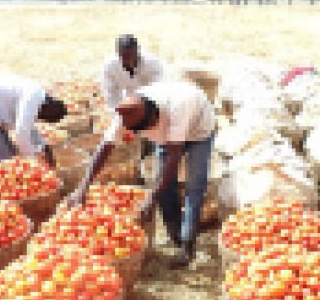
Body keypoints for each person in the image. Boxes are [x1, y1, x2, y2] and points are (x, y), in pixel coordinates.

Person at [68, 81, 215, 268]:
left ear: (155, 114)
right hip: (167, 136)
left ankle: (187, 248)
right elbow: (103, 150)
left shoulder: (179, 107)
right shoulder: (127, 112)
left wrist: (152, 198)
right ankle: (176, 235)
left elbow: (174, 156)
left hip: (198, 130)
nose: (143, 133)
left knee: (194, 187)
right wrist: (83, 187)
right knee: (163, 186)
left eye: (146, 128)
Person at [103, 34, 164, 170]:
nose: (129, 61)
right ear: (118, 54)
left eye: (132, 56)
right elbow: (111, 94)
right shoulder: (110, 66)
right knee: (127, 133)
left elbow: (157, 93)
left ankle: (152, 157)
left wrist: (143, 115)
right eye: (124, 57)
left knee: (153, 132)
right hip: (128, 100)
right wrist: (120, 116)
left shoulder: (153, 64)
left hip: (151, 102)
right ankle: (138, 158)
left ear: (138, 51)